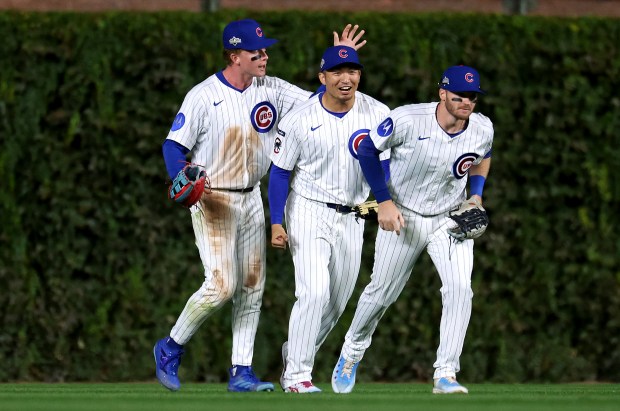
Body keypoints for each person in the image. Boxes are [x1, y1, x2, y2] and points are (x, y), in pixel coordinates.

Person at [153, 18, 367, 393]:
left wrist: (339, 65)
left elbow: (320, 102)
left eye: (265, 50)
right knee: (222, 286)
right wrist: (179, 176)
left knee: (252, 288)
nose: (265, 56)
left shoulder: (270, 87)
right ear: (235, 56)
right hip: (213, 197)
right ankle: (171, 346)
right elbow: (173, 145)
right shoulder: (203, 96)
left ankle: (241, 371)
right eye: (257, 51)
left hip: (251, 195)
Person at [330, 65, 493, 395]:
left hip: (449, 217)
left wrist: (476, 194)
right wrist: (383, 201)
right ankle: (351, 351)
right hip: (404, 213)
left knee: (460, 289)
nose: (466, 102)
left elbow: (482, 156)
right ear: (443, 93)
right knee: (381, 294)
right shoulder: (407, 118)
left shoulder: (482, 128)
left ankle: (445, 373)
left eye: (472, 97)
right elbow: (367, 149)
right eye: (460, 95)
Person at [268, 45, 390, 393]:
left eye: (352, 71)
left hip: (352, 215)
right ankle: (297, 376)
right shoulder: (300, 119)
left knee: (335, 303)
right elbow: (279, 173)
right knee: (314, 292)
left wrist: (384, 200)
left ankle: (296, 351)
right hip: (308, 210)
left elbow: (387, 163)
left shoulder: (377, 113)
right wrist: (277, 222)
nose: (345, 78)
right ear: (323, 78)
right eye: (337, 72)